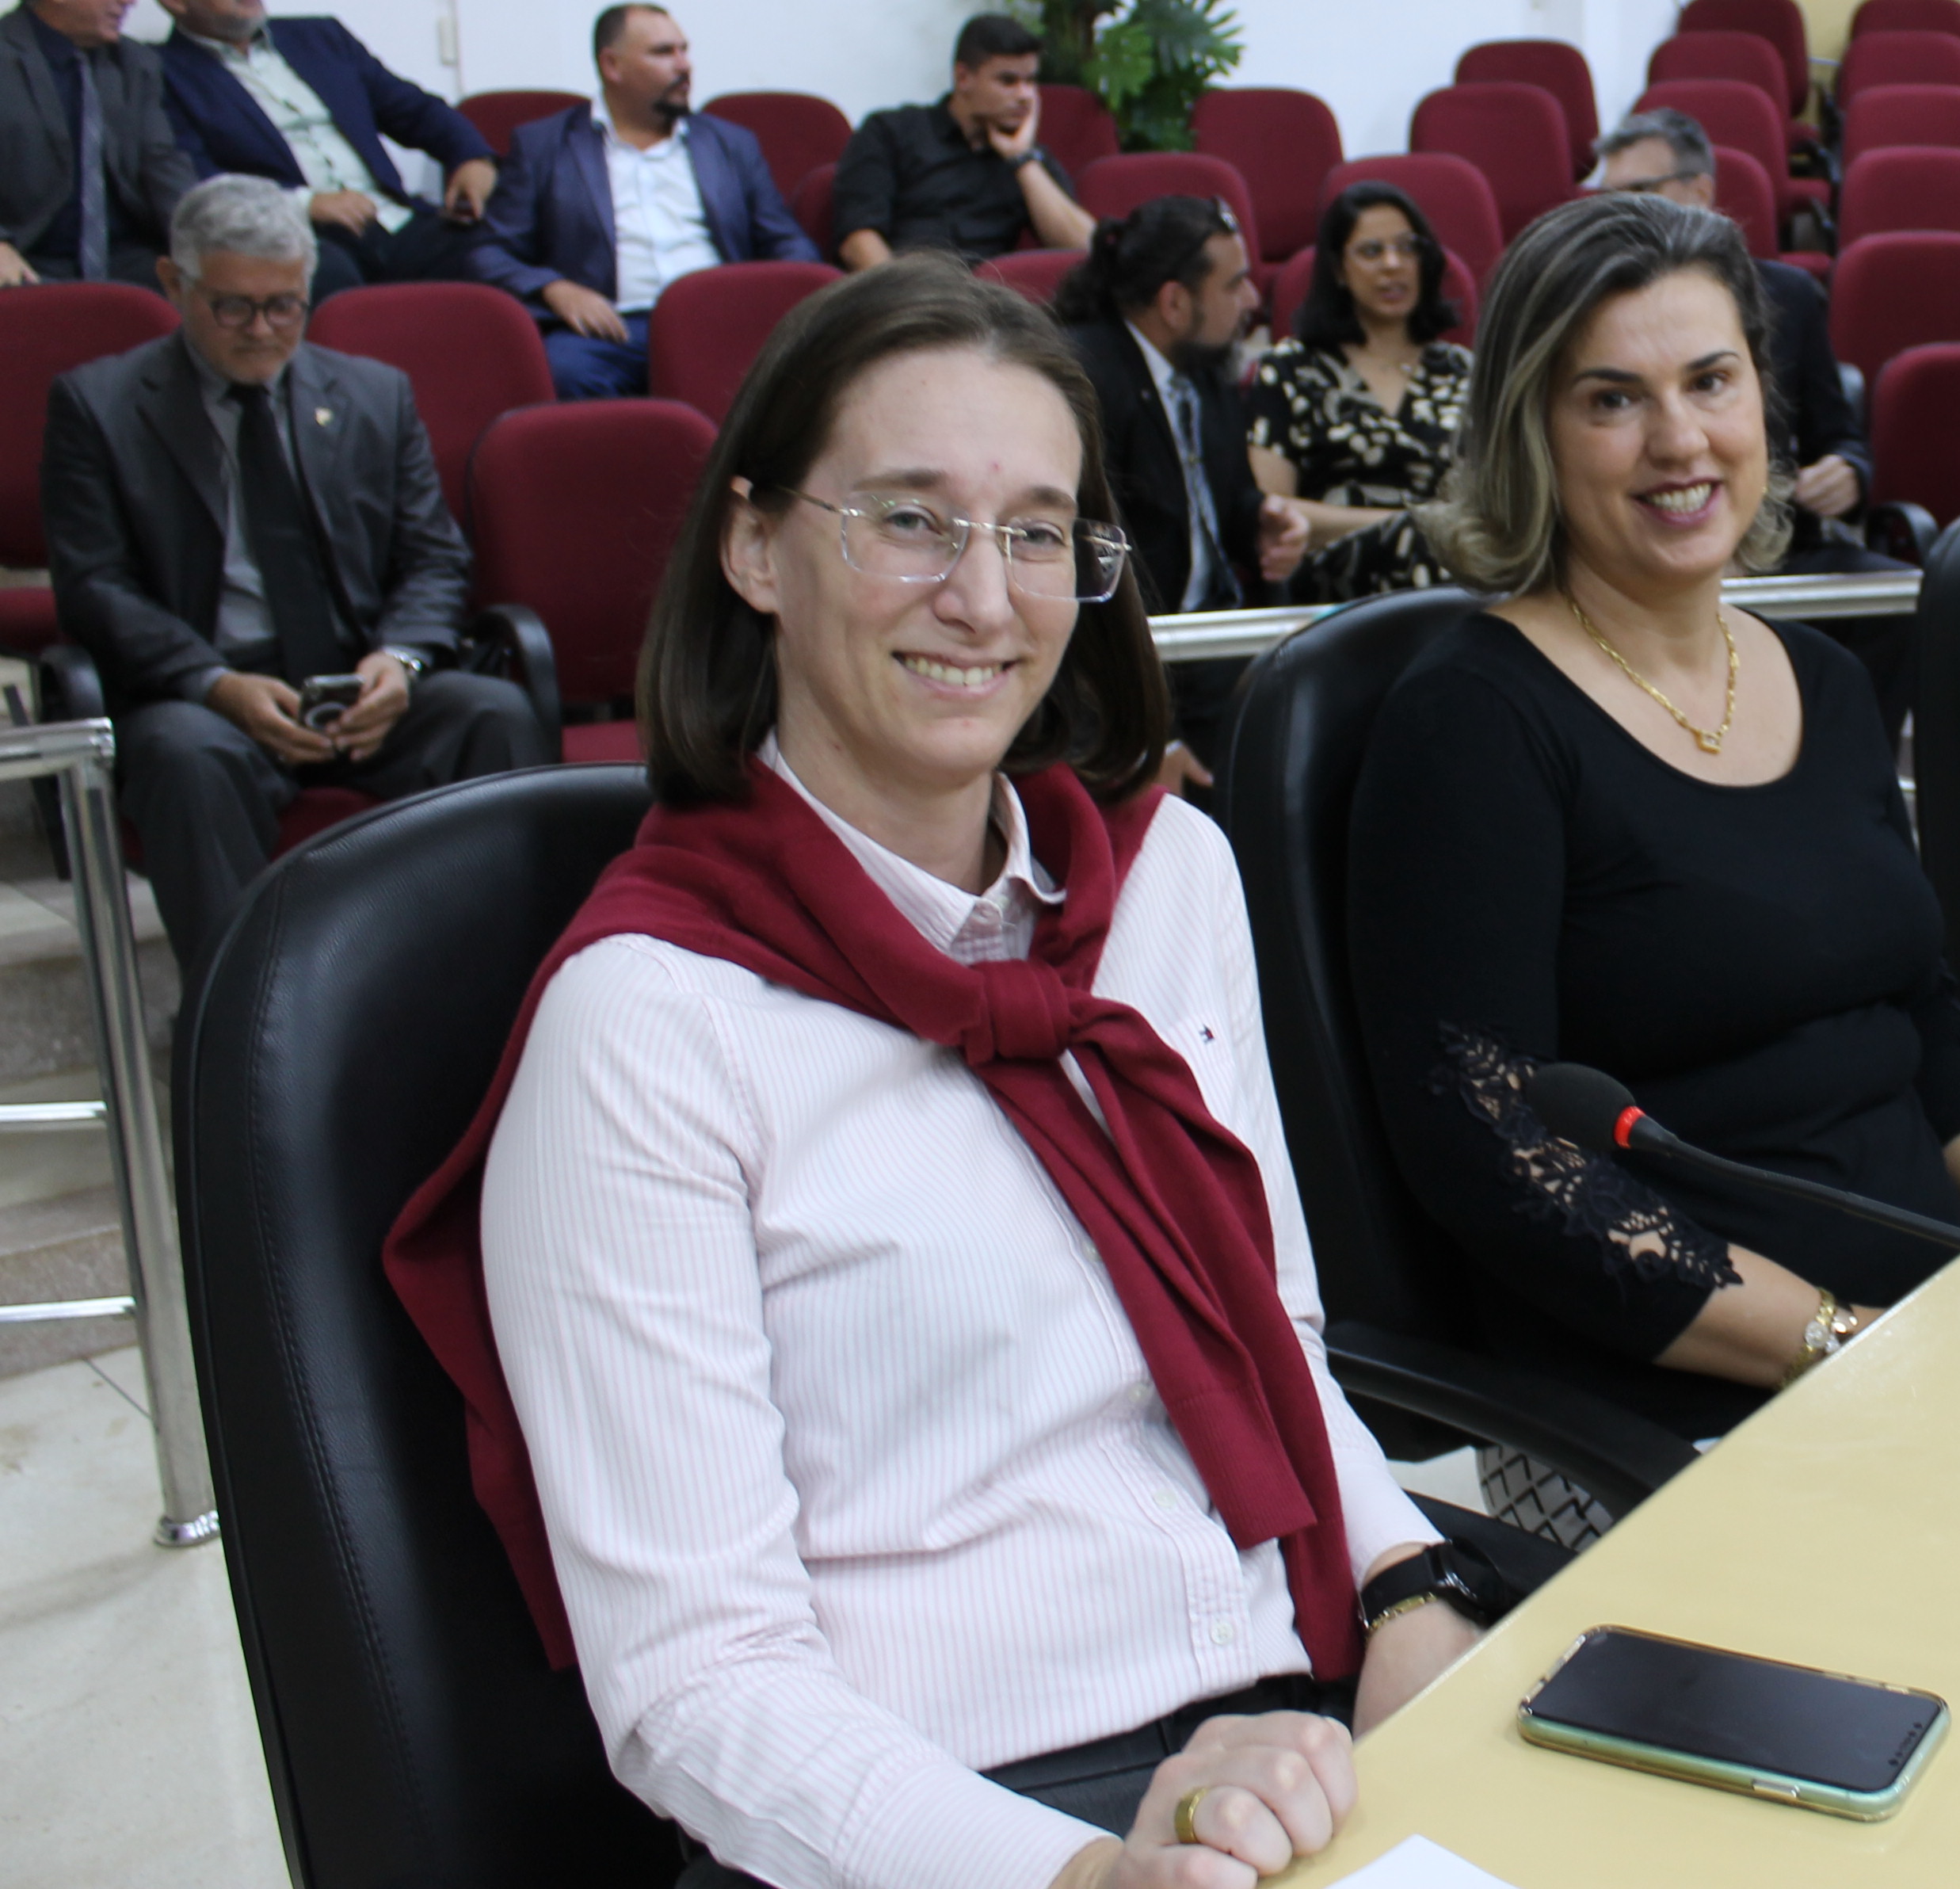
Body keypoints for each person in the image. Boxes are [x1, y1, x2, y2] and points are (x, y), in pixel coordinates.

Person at [383, 257, 1482, 1889]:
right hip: (942, 1810)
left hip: (1301, 1689)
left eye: (1037, 532)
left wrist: (1404, 1590)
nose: (985, 597)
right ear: (755, 545)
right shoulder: (650, 1023)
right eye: (910, 519)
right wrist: (1085, 1872)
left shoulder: (1167, 878)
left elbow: (1277, 1334)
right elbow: (698, 1684)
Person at [1346, 196, 1960, 1441]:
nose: (1681, 441)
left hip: (1944, 1329)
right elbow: (1498, 1154)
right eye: (1612, 399)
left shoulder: (1823, 680)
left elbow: (1924, 1009)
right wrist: (1844, 1344)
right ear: (1532, 434)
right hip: (1681, 1403)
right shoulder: (1471, 721)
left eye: (1711, 382)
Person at [39, 176, 550, 981]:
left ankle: (501, 989)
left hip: (358, 676)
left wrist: (401, 661)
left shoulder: (373, 394)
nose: (262, 330)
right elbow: (95, 589)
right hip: (207, 693)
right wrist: (215, 685)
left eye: (284, 306)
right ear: (176, 284)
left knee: (493, 711)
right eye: (234, 308)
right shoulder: (99, 407)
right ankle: (244, 1016)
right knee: (184, 759)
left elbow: (433, 557)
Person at [1049, 197, 1309, 784]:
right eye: (1235, 284)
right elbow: (1086, 571)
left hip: (1210, 640)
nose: (1252, 300)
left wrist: (1262, 521)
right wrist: (1154, 738)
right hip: (1129, 656)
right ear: (1174, 302)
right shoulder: (1084, 380)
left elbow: (1228, 499)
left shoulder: (1205, 365)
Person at [467, 2, 822, 399]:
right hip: (613, 328)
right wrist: (556, 288)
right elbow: (489, 253)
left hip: (718, 317)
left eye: (684, 50)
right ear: (612, 65)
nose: (684, 65)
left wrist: (767, 299)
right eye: (663, 52)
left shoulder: (730, 143)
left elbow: (787, 241)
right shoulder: (544, 146)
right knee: (564, 370)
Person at [143, 0, 498, 296]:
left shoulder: (320, 37)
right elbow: (194, 179)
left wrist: (472, 157)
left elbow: (414, 109)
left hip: (392, 219)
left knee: (493, 254)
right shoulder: (161, 73)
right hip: (293, 237)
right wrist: (304, 205)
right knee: (326, 278)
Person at [1591, 109, 1876, 570]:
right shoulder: (1588, 309)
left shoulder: (1789, 296)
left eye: (1640, 191)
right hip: (1643, 553)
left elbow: (1839, 437)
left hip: (1780, 549)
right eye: (1609, 198)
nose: (1620, 214)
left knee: (1922, 594)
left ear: (1699, 193)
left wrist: (1849, 472)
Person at [1245, 181, 1470, 601]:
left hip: (1454, 566)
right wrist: (1410, 524)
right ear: (1338, 270)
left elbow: (1496, 502)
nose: (1393, 264)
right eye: (1371, 251)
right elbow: (1272, 509)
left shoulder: (1463, 370)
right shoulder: (1291, 368)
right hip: (1335, 572)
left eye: (1407, 248)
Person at [1, 0, 194, 288]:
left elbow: (163, 166)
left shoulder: (135, 64)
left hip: (130, 259)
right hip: (25, 260)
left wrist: (210, 242)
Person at [834, 14, 1094, 269]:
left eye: (1030, 81)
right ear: (963, 78)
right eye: (1008, 81)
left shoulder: (1028, 156)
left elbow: (1084, 248)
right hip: (905, 284)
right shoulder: (890, 132)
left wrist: (1022, 159)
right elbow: (858, 241)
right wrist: (908, 294)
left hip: (987, 292)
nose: (1025, 95)